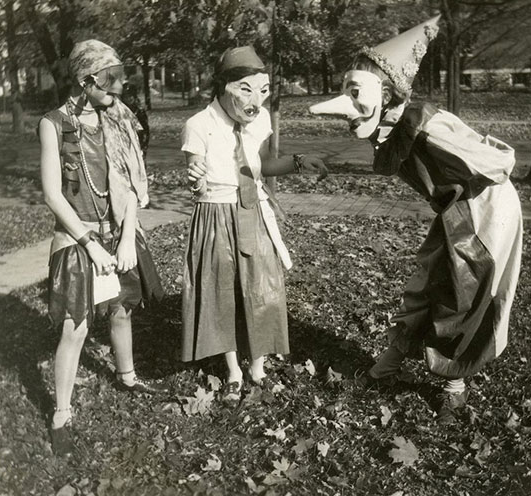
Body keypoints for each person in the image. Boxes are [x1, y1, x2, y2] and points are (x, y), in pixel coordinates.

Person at [310, 16, 523, 424]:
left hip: (485, 209)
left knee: (463, 295)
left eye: (357, 93)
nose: (348, 108)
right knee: (425, 281)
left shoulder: (426, 126)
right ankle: (388, 364)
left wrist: (467, 193)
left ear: (387, 93)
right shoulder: (393, 128)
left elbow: (498, 163)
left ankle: (453, 388)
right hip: (455, 209)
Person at [39, 39, 164, 456]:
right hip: (78, 237)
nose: (119, 87)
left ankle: (126, 376)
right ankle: (61, 413)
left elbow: (130, 185)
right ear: (85, 79)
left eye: (120, 77)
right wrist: (90, 243)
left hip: (118, 233)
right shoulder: (53, 124)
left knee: (122, 309)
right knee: (75, 327)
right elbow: (53, 196)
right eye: (110, 79)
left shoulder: (120, 119)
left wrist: (128, 236)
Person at [181, 46, 327, 402]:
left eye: (262, 90)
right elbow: (196, 183)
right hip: (216, 213)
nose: (255, 100)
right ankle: (232, 369)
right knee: (222, 291)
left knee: (263, 286)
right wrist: (195, 176)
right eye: (245, 89)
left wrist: (297, 162)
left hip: (253, 211)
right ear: (223, 86)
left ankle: (257, 365)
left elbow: (261, 166)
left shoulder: (260, 120)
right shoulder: (198, 125)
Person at [121, 82, 150, 158]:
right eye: (126, 97)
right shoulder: (120, 110)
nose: (129, 99)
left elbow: (145, 130)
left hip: (137, 142)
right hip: (124, 143)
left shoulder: (139, 111)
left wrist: (144, 147)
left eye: (131, 96)